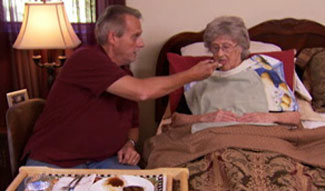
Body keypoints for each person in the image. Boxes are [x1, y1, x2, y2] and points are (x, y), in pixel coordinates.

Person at [22, 5, 218, 170]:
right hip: (55, 162)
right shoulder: (86, 58)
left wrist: (130, 144)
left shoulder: (125, 76)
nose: (141, 43)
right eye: (135, 36)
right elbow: (142, 91)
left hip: (105, 161)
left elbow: (133, 125)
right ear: (113, 37)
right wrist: (191, 74)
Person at [168, 16, 300, 129]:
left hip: (261, 137)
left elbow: (295, 118)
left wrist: (267, 117)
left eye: (226, 47)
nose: (220, 54)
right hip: (212, 139)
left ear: (241, 47)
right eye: (215, 47)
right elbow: (176, 120)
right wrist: (204, 118)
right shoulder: (201, 75)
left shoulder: (263, 70)